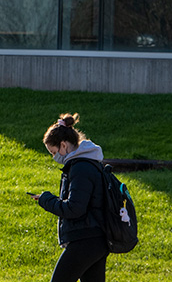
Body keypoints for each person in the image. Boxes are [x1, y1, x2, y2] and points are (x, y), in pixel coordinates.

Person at [30, 113, 108, 282]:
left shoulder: (80, 168)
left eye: (53, 152)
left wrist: (46, 200)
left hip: (85, 239)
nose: (54, 157)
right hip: (96, 239)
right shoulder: (88, 163)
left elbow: (74, 208)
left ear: (63, 145)